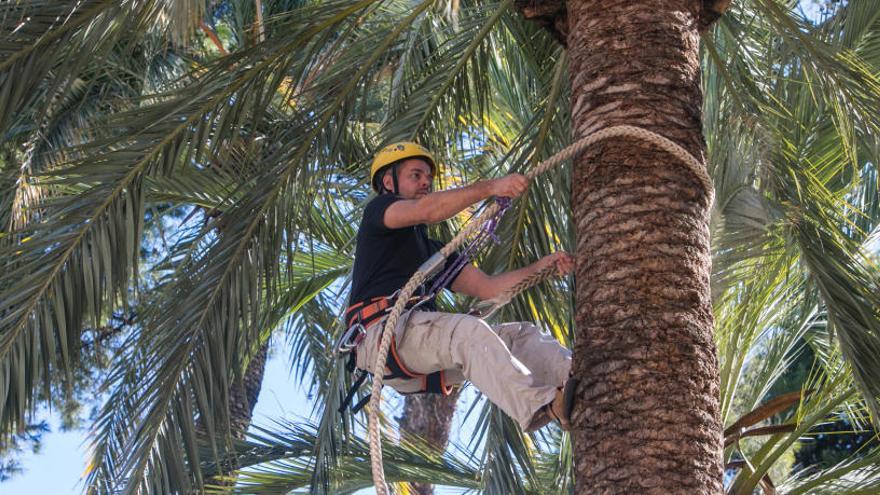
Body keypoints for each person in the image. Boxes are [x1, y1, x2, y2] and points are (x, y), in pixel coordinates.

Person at [346, 142, 575, 431]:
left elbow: (488, 288)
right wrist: (493, 187)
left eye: (428, 178)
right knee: (468, 332)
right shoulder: (378, 213)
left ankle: (581, 383)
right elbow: (428, 210)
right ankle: (541, 406)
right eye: (415, 175)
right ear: (388, 181)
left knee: (520, 337)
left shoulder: (432, 252)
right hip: (381, 337)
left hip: (413, 349)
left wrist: (542, 267)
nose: (425, 183)